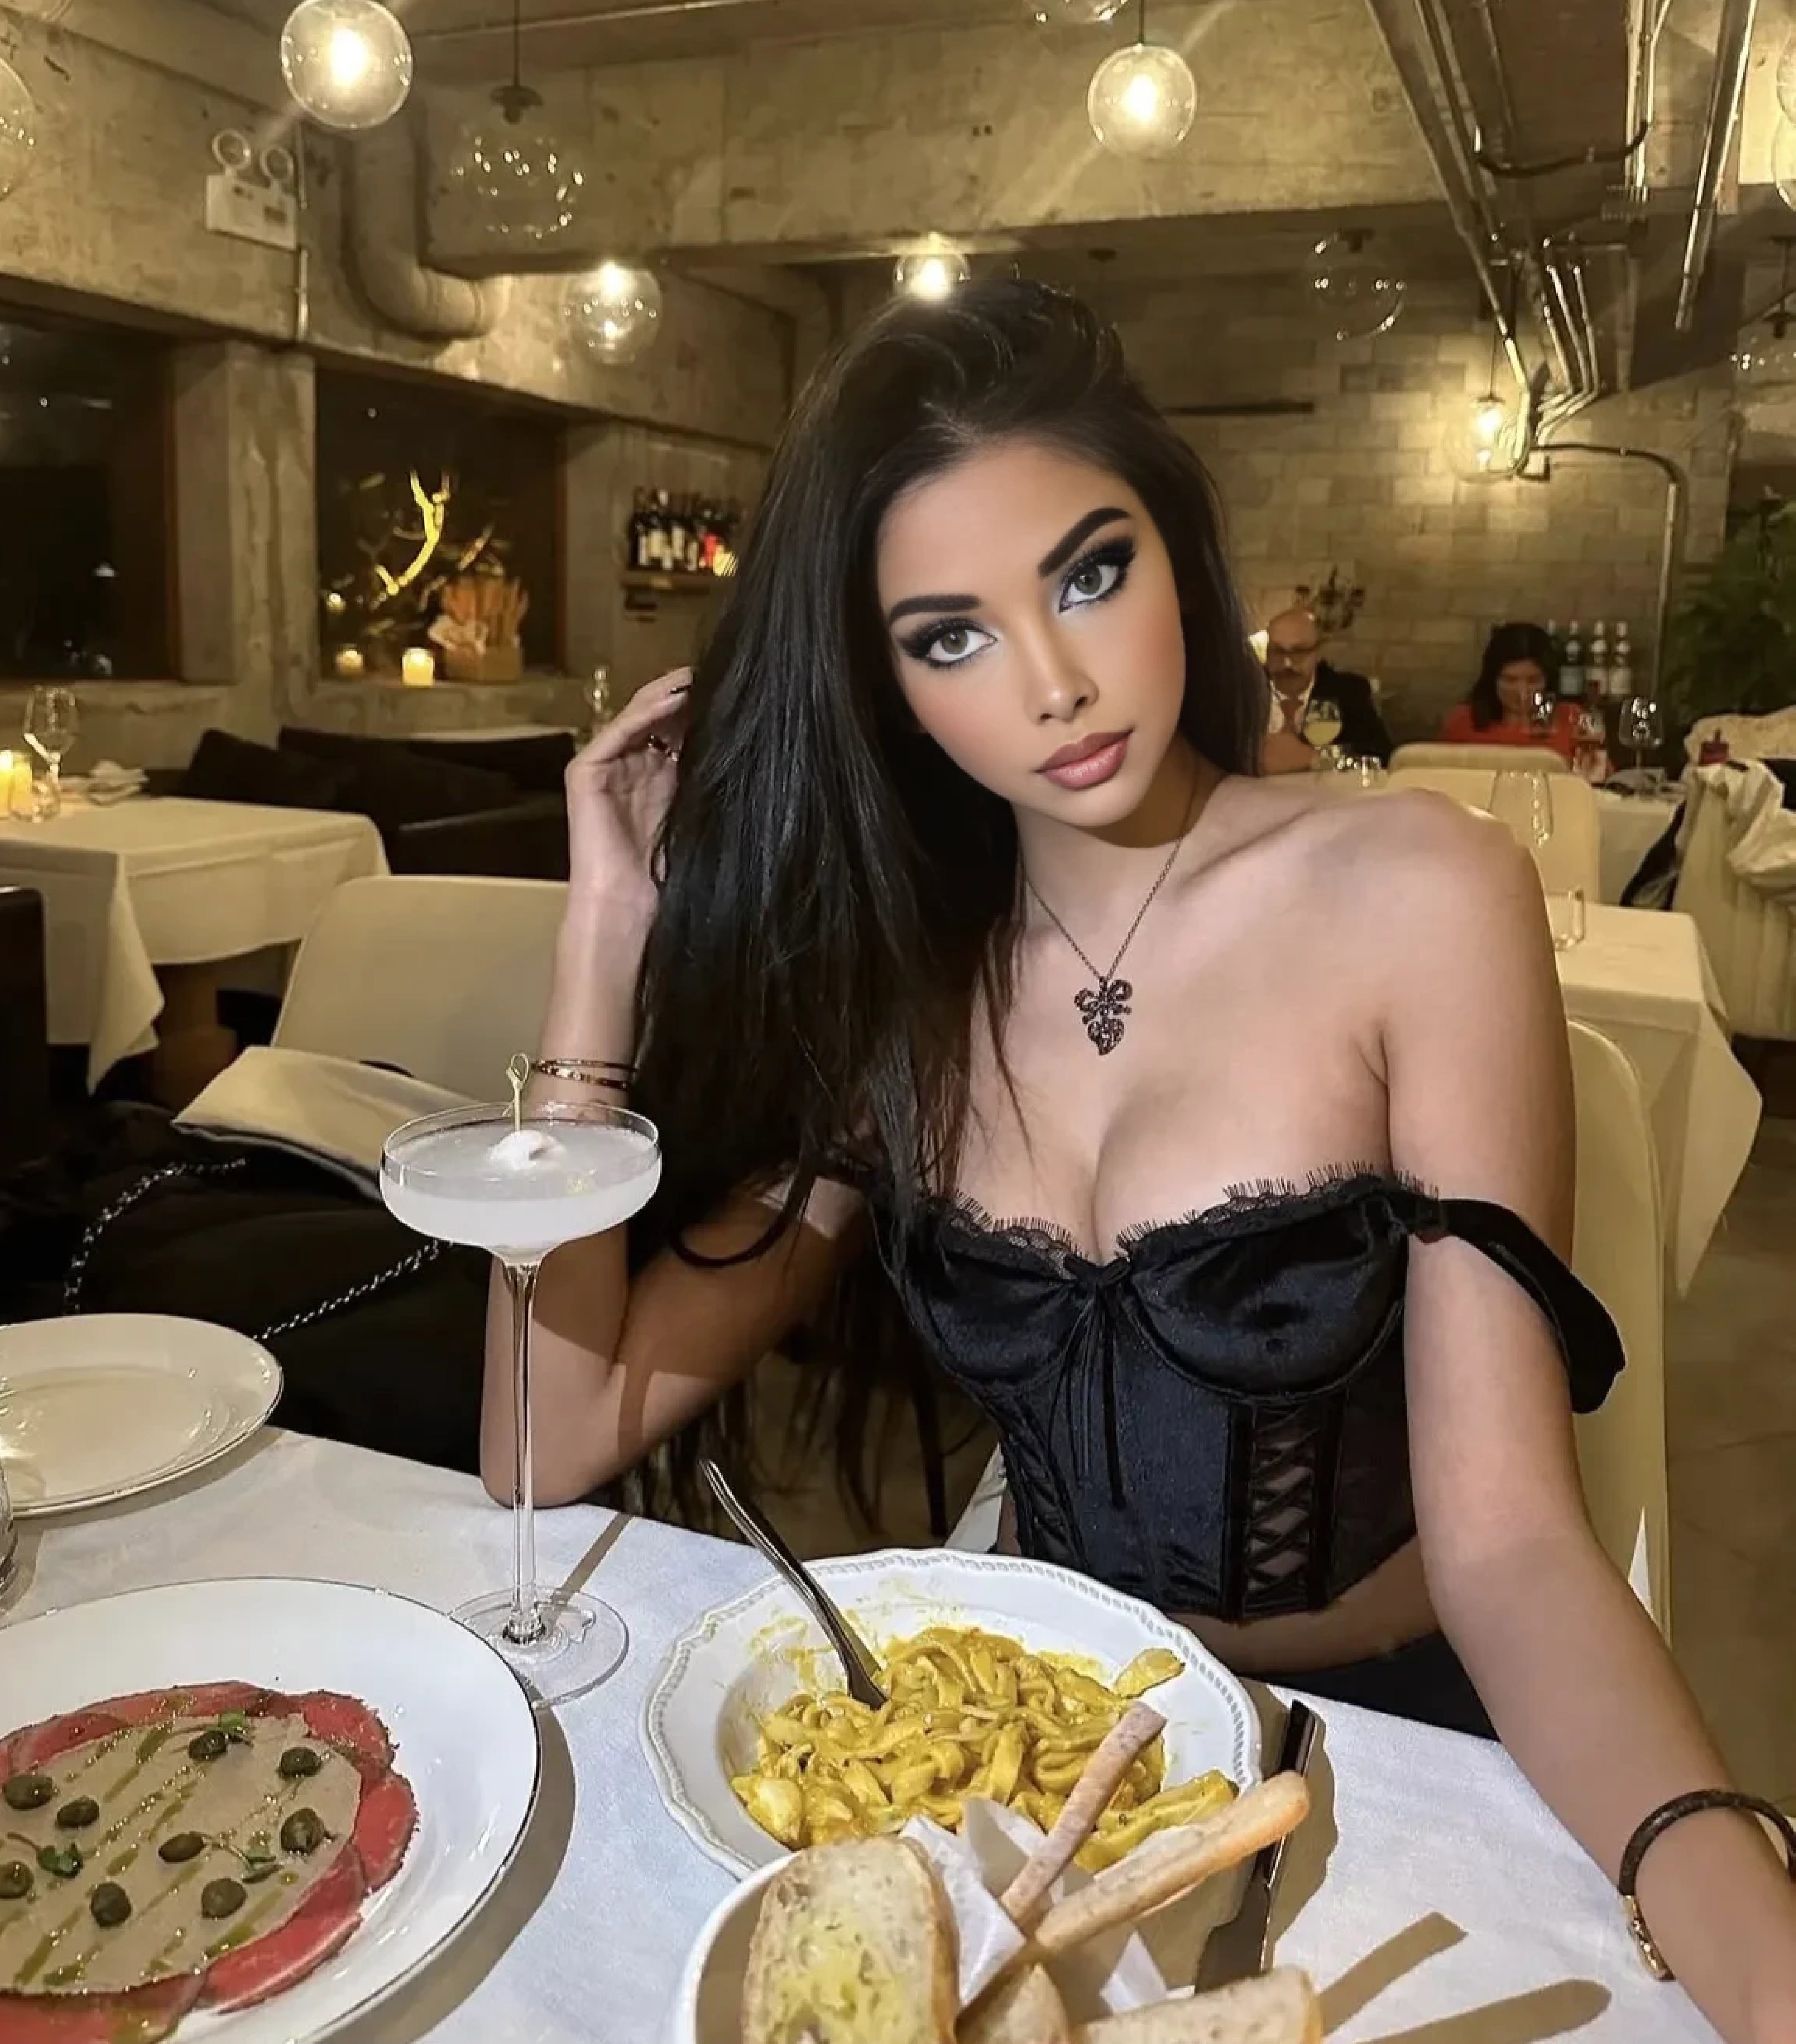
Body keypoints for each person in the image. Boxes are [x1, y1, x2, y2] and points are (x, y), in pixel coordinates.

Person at [496, 282, 1796, 2038]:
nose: (1052, 682)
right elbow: (543, 1432)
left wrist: (1743, 1917)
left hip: (1373, 1741)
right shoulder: (906, 986)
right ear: (888, 685)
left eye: (1090, 573)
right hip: (1031, 1769)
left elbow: (1507, 1541)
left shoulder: (1420, 891)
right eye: (950, 635)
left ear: (1176, 550)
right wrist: (604, 934)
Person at [1258, 603, 1392, 770]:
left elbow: (1380, 757)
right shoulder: (1242, 692)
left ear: (1318, 653)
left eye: (1299, 652)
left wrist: (1315, 758)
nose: (1287, 663)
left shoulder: (1347, 691)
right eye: (1277, 651)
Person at [1440, 622, 1580, 760]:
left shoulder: (1573, 720)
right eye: (1510, 680)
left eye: (1533, 681)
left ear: (1548, 680)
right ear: (1493, 680)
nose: (1522, 693)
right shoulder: (1462, 723)